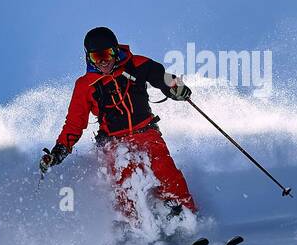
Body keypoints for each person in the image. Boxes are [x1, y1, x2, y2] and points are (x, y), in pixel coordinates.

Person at [39, 27, 198, 221]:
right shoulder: (84, 85)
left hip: (146, 132)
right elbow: (74, 123)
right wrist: (58, 152)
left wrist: (176, 88)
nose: (104, 61)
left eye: (107, 54)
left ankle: (185, 218)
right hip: (114, 143)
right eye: (97, 57)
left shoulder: (137, 64)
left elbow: (162, 76)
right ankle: (131, 228)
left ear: (116, 51)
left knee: (167, 173)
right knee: (126, 181)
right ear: (88, 57)